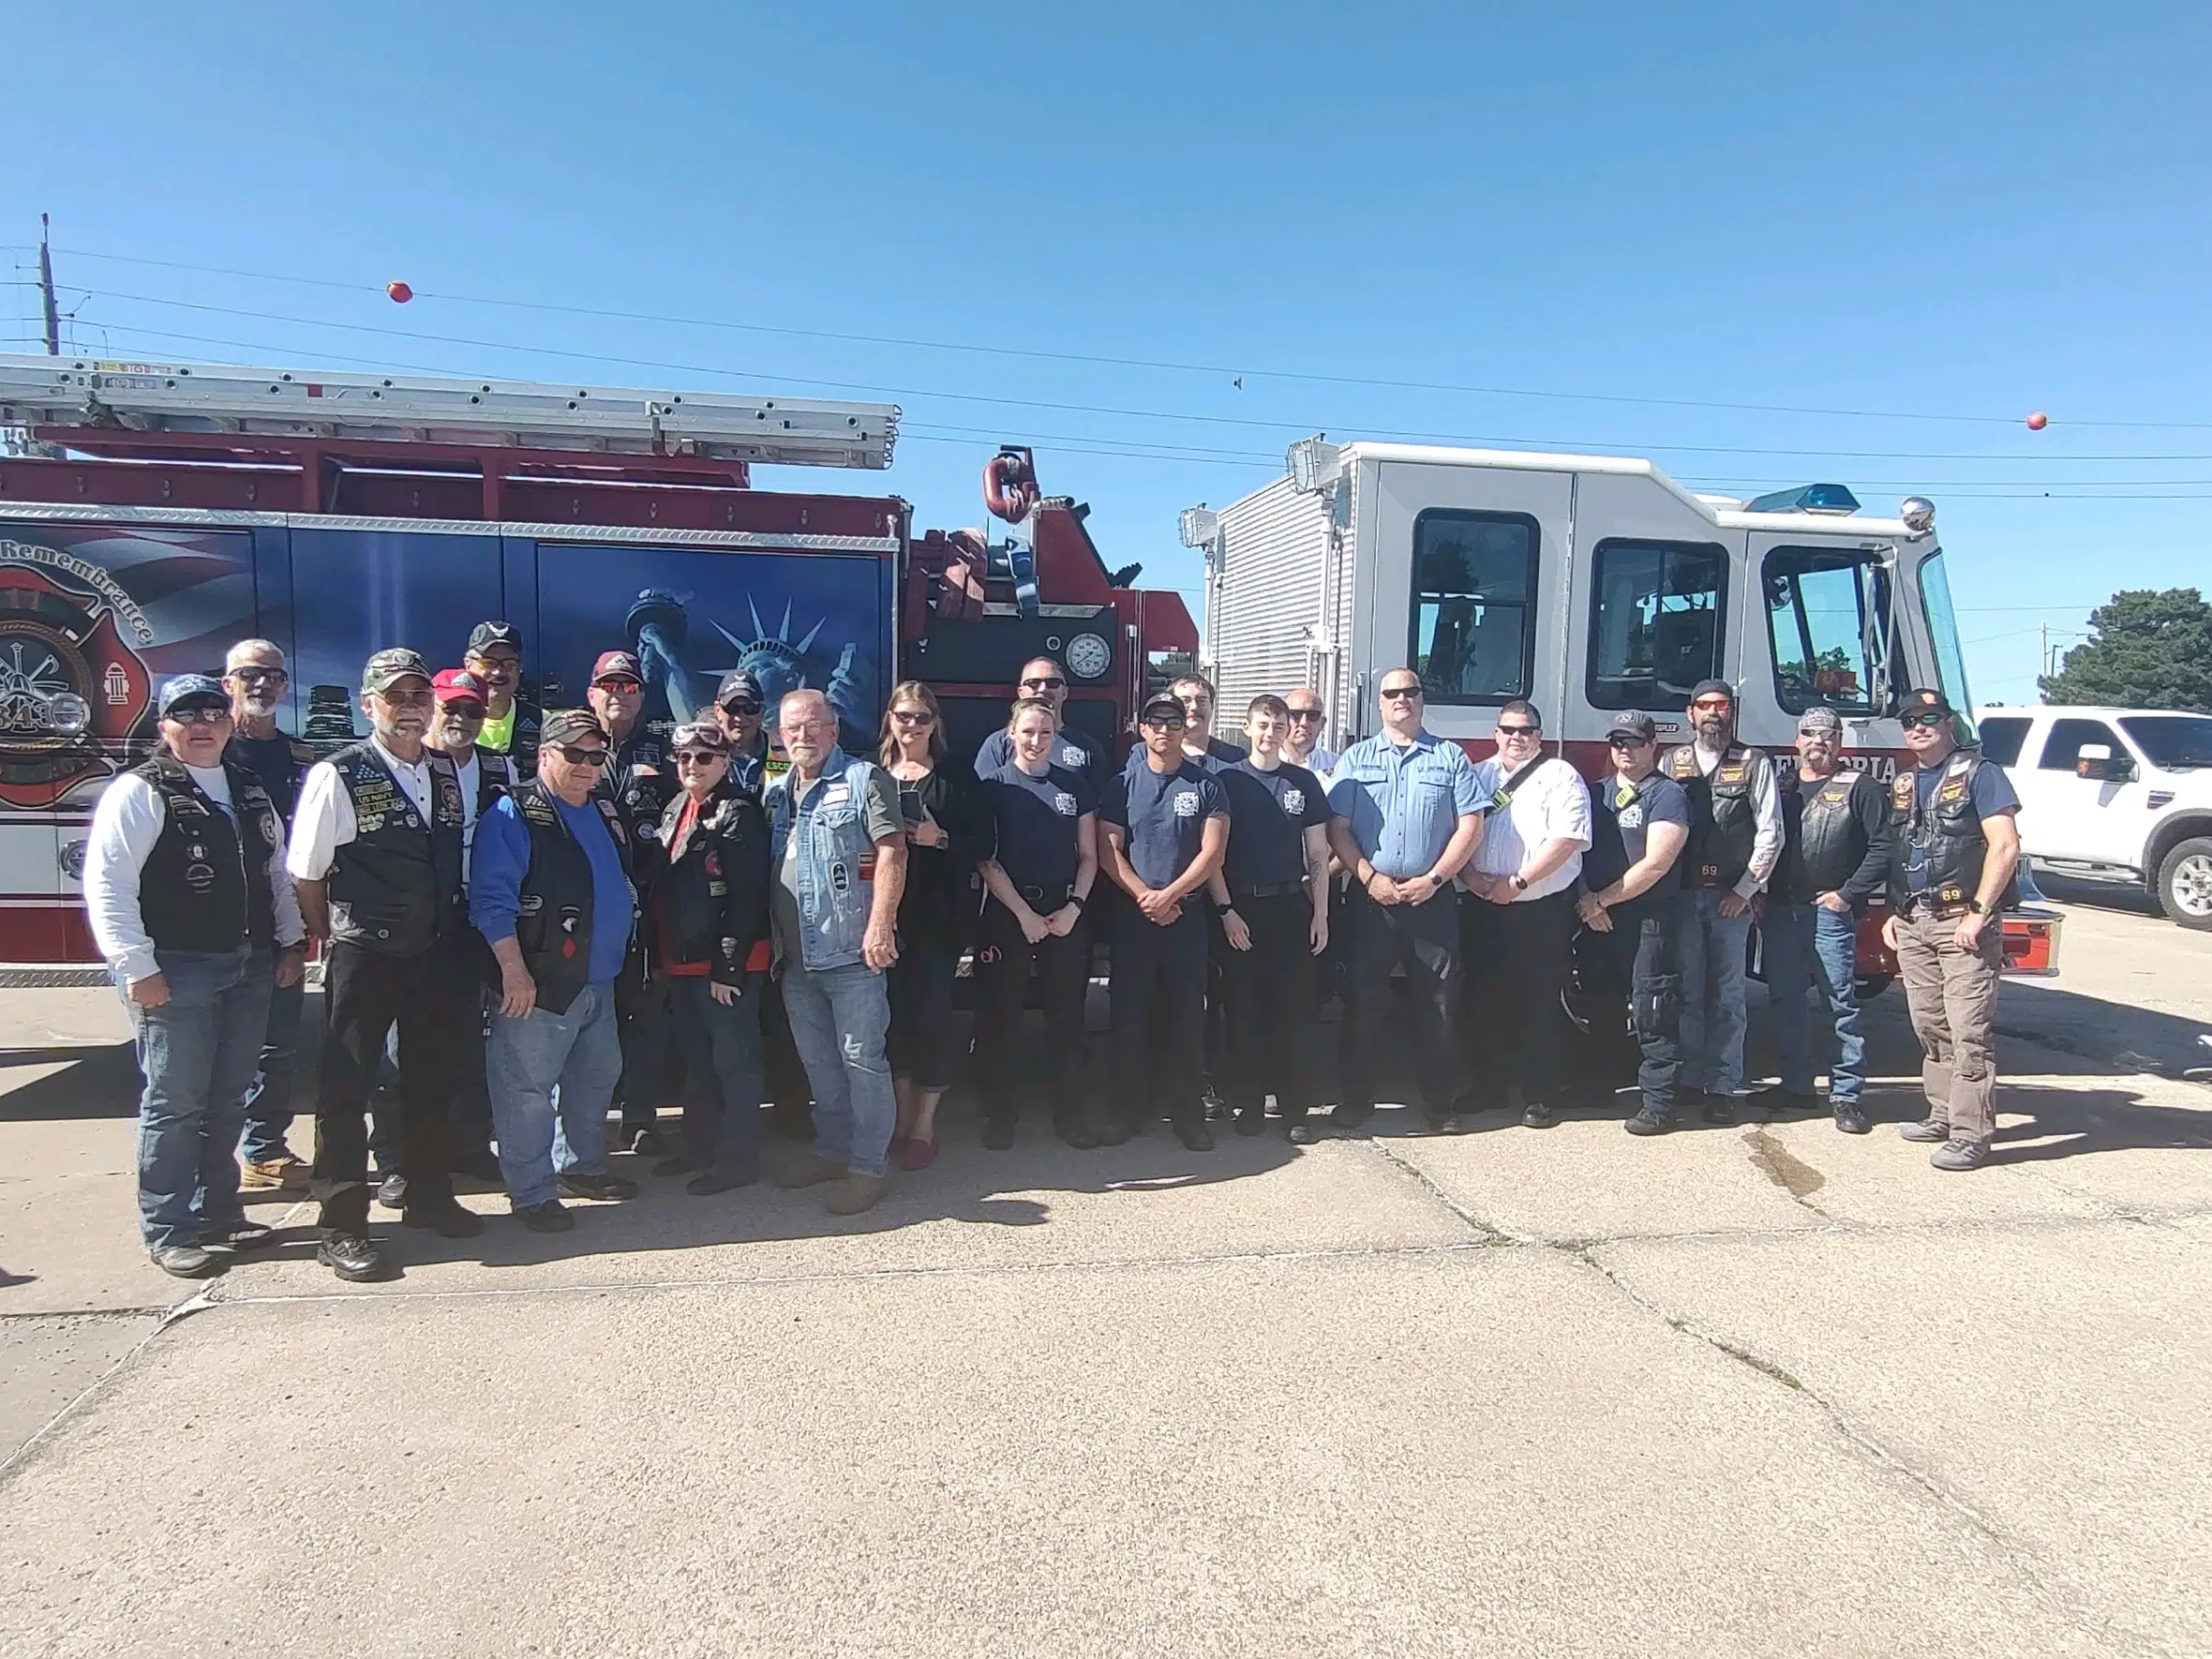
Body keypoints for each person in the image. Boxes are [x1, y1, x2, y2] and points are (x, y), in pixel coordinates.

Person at [83, 675, 306, 1277]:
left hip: (250, 964)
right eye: (187, 715)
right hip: (176, 970)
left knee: (227, 1098)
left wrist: (290, 940)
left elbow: (277, 873)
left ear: (231, 722)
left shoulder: (248, 787)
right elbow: (108, 888)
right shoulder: (139, 792)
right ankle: (169, 1228)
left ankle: (220, 1214)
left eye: (214, 712)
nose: (203, 723)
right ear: (165, 727)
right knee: (175, 1104)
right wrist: (136, 967)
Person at [289, 649, 485, 1281]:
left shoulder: (446, 772)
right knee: (345, 1090)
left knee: (430, 1082)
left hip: (436, 953)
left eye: (418, 696)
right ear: (368, 704)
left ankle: (428, 1195)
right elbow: (306, 872)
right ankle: (342, 1225)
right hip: (367, 952)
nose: (409, 707)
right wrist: (332, 936)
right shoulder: (338, 775)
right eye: (395, 697)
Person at [470, 708, 643, 1232]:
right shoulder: (511, 812)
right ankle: (532, 1193)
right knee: (525, 1091)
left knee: (595, 1079)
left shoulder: (603, 809)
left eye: (596, 756)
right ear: (544, 754)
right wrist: (512, 971)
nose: (588, 766)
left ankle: (581, 1168)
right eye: (574, 754)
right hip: (539, 982)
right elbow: (490, 900)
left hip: (598, 978)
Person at [763, 689, 908, 1216]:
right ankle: (832, 1152)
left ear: (834, 730)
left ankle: (868, 1167)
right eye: (792, 728)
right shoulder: (777, 793)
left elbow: (893, 849)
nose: (802, 736)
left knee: (862, 1062)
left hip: (852, 954)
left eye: (812, 725)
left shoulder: (864, 780)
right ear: (780, 735)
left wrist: (881, 926)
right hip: (795, 960)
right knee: (820, 1065)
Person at [1325, 670, 1487, 1133]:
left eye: (1410, 692)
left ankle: (1440, 1103)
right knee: (1362, 1003)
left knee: (1437, 1004)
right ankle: (1356, 1102)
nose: (1402, 700)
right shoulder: (1356, 758)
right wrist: (1367, 876)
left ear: (1422, 700)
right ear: (1379, 704)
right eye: (1392, 694)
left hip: (1430, 900)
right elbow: (1339, 828)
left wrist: (1436, 879)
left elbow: (1470, 826)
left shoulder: (1450, 758)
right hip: (1371, 900)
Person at [1882, 687, 2022, 1172]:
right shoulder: (1903, 783)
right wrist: (1893, 913)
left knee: (1969, 1031)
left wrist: (1980, 912)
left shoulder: (1983, 776)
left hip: (1964, 921)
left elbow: (2004, 847)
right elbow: (1897, 852)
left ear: (1948, 723)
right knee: (1930, 1024)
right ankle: (1941, 1113)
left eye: (1929, 718)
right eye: (1909, 721)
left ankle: (1971, 1133)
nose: (1918, 727)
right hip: (1914, 919)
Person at [644, 721, 773, 1195]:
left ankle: (737, 1161)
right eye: (683, 758)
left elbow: (747, 895)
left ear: (724, 761)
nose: (692, 767)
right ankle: (698, 1147)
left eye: (703, 758)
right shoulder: (678, 805)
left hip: (726, 963)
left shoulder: (739, 812)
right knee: (697, 1060)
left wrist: (728, 965)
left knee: (733, 1062)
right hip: (682, 959)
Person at [1098, 693, 1230, 1150]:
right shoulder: (1120, 786)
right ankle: (1125, 1112)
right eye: (1156, 721)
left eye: (1174, 721)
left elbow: (1212, 853)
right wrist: (1145, 897)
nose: (1165, 729)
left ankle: (1189, 1118)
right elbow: (1108, 850)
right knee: (1129, 1018)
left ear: (1184, 728)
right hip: (1134, 919)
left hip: (1186, 919)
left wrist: (1171, 896)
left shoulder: (1207, 786)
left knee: (1187, 1020)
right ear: (1142, 728)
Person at [1457, 700, 1592, 1128]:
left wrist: (1517, 883)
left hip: (1539, 908)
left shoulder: (1560, 776)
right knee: (1484, 1000)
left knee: (1540, 1004)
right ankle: (1488, 1086)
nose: (1517, 738)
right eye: (1509, 730)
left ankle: (1540, 1095)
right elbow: (1456, 833)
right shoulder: (1478, 775)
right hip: (1483, 904)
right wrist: (1474, 879)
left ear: (1540, 736)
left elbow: (1567, 841)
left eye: (1526, 730)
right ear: (1496, 733)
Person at [1757, 707, 1892, 1133]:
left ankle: (1847, 1095)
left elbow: (1883, 849)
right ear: (1797, 741)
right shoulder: (1782, 788)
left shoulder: (1862, 788)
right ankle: (1796, 1086)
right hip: (1781, 912)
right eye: (1810, 734)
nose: (1819, 742)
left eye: (1829, 734)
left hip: (1828, 913)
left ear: (1840, 742)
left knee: (1840, 1004)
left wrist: (1848, 895)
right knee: (1785, 1001)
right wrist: (1758, 894)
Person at [976, 697, 1099, 1149]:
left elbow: (1089, 856)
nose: (1035, 740)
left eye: (1044, 733)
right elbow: (987, 859)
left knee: (1066, 1018)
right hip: (1010, 915)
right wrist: (1024, 915)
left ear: (1054, 736)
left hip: (1065, 913)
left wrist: (1074, 908)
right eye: (1027, 732)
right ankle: (1000, 1114)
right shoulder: (992, 786)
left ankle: (1070, 1114)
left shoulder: (1076, 788)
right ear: (1012, 733)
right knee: (1001, 1015)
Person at [1209, 695, 1331, 1143]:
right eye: (1263, 724)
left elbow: (1317, 853)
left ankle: (1296, 1109)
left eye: (1279, 725)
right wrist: (1226, 912)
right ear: (1246, 727)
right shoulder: (1226, 781)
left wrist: (1321, 914)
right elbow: (1213, 857)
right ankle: (1250, 1105)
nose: (1271, 732)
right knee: (1244, 1012)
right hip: (1243, 909)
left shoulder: (1303, 783)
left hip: (1290, 908)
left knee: (1292, 1012)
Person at [1660, 679, 1782, 1123]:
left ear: (1732, 712)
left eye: (1722, 705)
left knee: (1729, 996)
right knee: (1688, 991)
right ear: (1690, 714)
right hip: (1684, 895)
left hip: (1731, 900)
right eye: (1704, 706)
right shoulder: (1672, 761)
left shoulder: (1754, 762)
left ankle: (1724, 1085)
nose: (1713, 713)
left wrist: (1745, 891)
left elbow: (1771, 832)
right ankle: (1691, 1080)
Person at [220, 638, 318, 1194]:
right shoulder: (206, 751)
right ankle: (211, 1165)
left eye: (273, 677)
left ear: (285, 687)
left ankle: (264, 1150)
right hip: (213, 924)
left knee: (276, 1044)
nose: (261, 685)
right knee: (214, 1052)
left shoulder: (303, 759)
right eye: (249, 674)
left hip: (280, 921)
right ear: (227, 681)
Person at [879, 681, 991, 1166]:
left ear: (934, 723)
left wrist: (938, 837)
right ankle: (900, 1121)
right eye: (904, 716)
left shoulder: (958, 778)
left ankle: (925, 1126)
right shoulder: (870, 775)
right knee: (891, 1024)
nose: (912, 726)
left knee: (931, 1020)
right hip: (881, 921)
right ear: (890, 718)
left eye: (922, 718)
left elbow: (983, 847)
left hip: (937, 923)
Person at [1577, 711, 1692, 1135]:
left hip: (1648, 917)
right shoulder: (1594, 793)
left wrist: (1599, 900)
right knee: (1600, 1002)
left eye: (1633, 741)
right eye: (1617, 742)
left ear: (1652, 747)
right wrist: (1587, 902)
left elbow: (1657, 864)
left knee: (1652, 1008)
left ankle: (1659, 1101)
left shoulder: (1668, 795)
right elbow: (1573, 852)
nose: (1624, 749)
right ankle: (1598, 1085)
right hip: (1598, 915)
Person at [590, 650, 676, 1155]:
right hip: (589, 911)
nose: (618, 695)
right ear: (592, 693)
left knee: (645, 1020)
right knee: (588, 1023)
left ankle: (639, 1118)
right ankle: (585, 1125)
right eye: (609, 686)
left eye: (628, 687)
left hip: (644, 911)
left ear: (642, 696)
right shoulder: (574, 747)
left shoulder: (662, 754)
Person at [426, 667, 504, 1181]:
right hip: (424, 921)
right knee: (410, 1043)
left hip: (483, 918)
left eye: (472, 710)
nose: (461, 718)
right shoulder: (412, 766)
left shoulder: (501, 770)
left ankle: (474, 1145)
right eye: (451, 707)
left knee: (480, 1038)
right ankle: (401, 1158)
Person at [974, 656, 1107, 795]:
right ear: (1021, 692)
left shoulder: (1088, 747)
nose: (1043, 689)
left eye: (1053, 683)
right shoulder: (998, 743)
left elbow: (1097, 806)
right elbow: (982, 797)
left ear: (1064, 692)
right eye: (1033, 683)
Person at [464, 620, 540, 778]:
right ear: (468, 665)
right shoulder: (445, 720)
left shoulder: (544, 723)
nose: (498, 672)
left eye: (509, 664)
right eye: (489, 663)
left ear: (520, 669)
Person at [711, 668, 773, 799]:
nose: (739, 718)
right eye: (732, 708)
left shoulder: (784, 753)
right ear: (717, 710)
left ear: (762, 711)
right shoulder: (702, 755)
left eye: (749, 709)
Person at [1282, 686, 1338, 777]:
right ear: (1283, 721)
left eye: (1312, 715)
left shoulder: (1337, 766)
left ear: (1322, 723)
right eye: (1296, 715)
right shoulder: (1266, 766)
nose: (1304, 723)